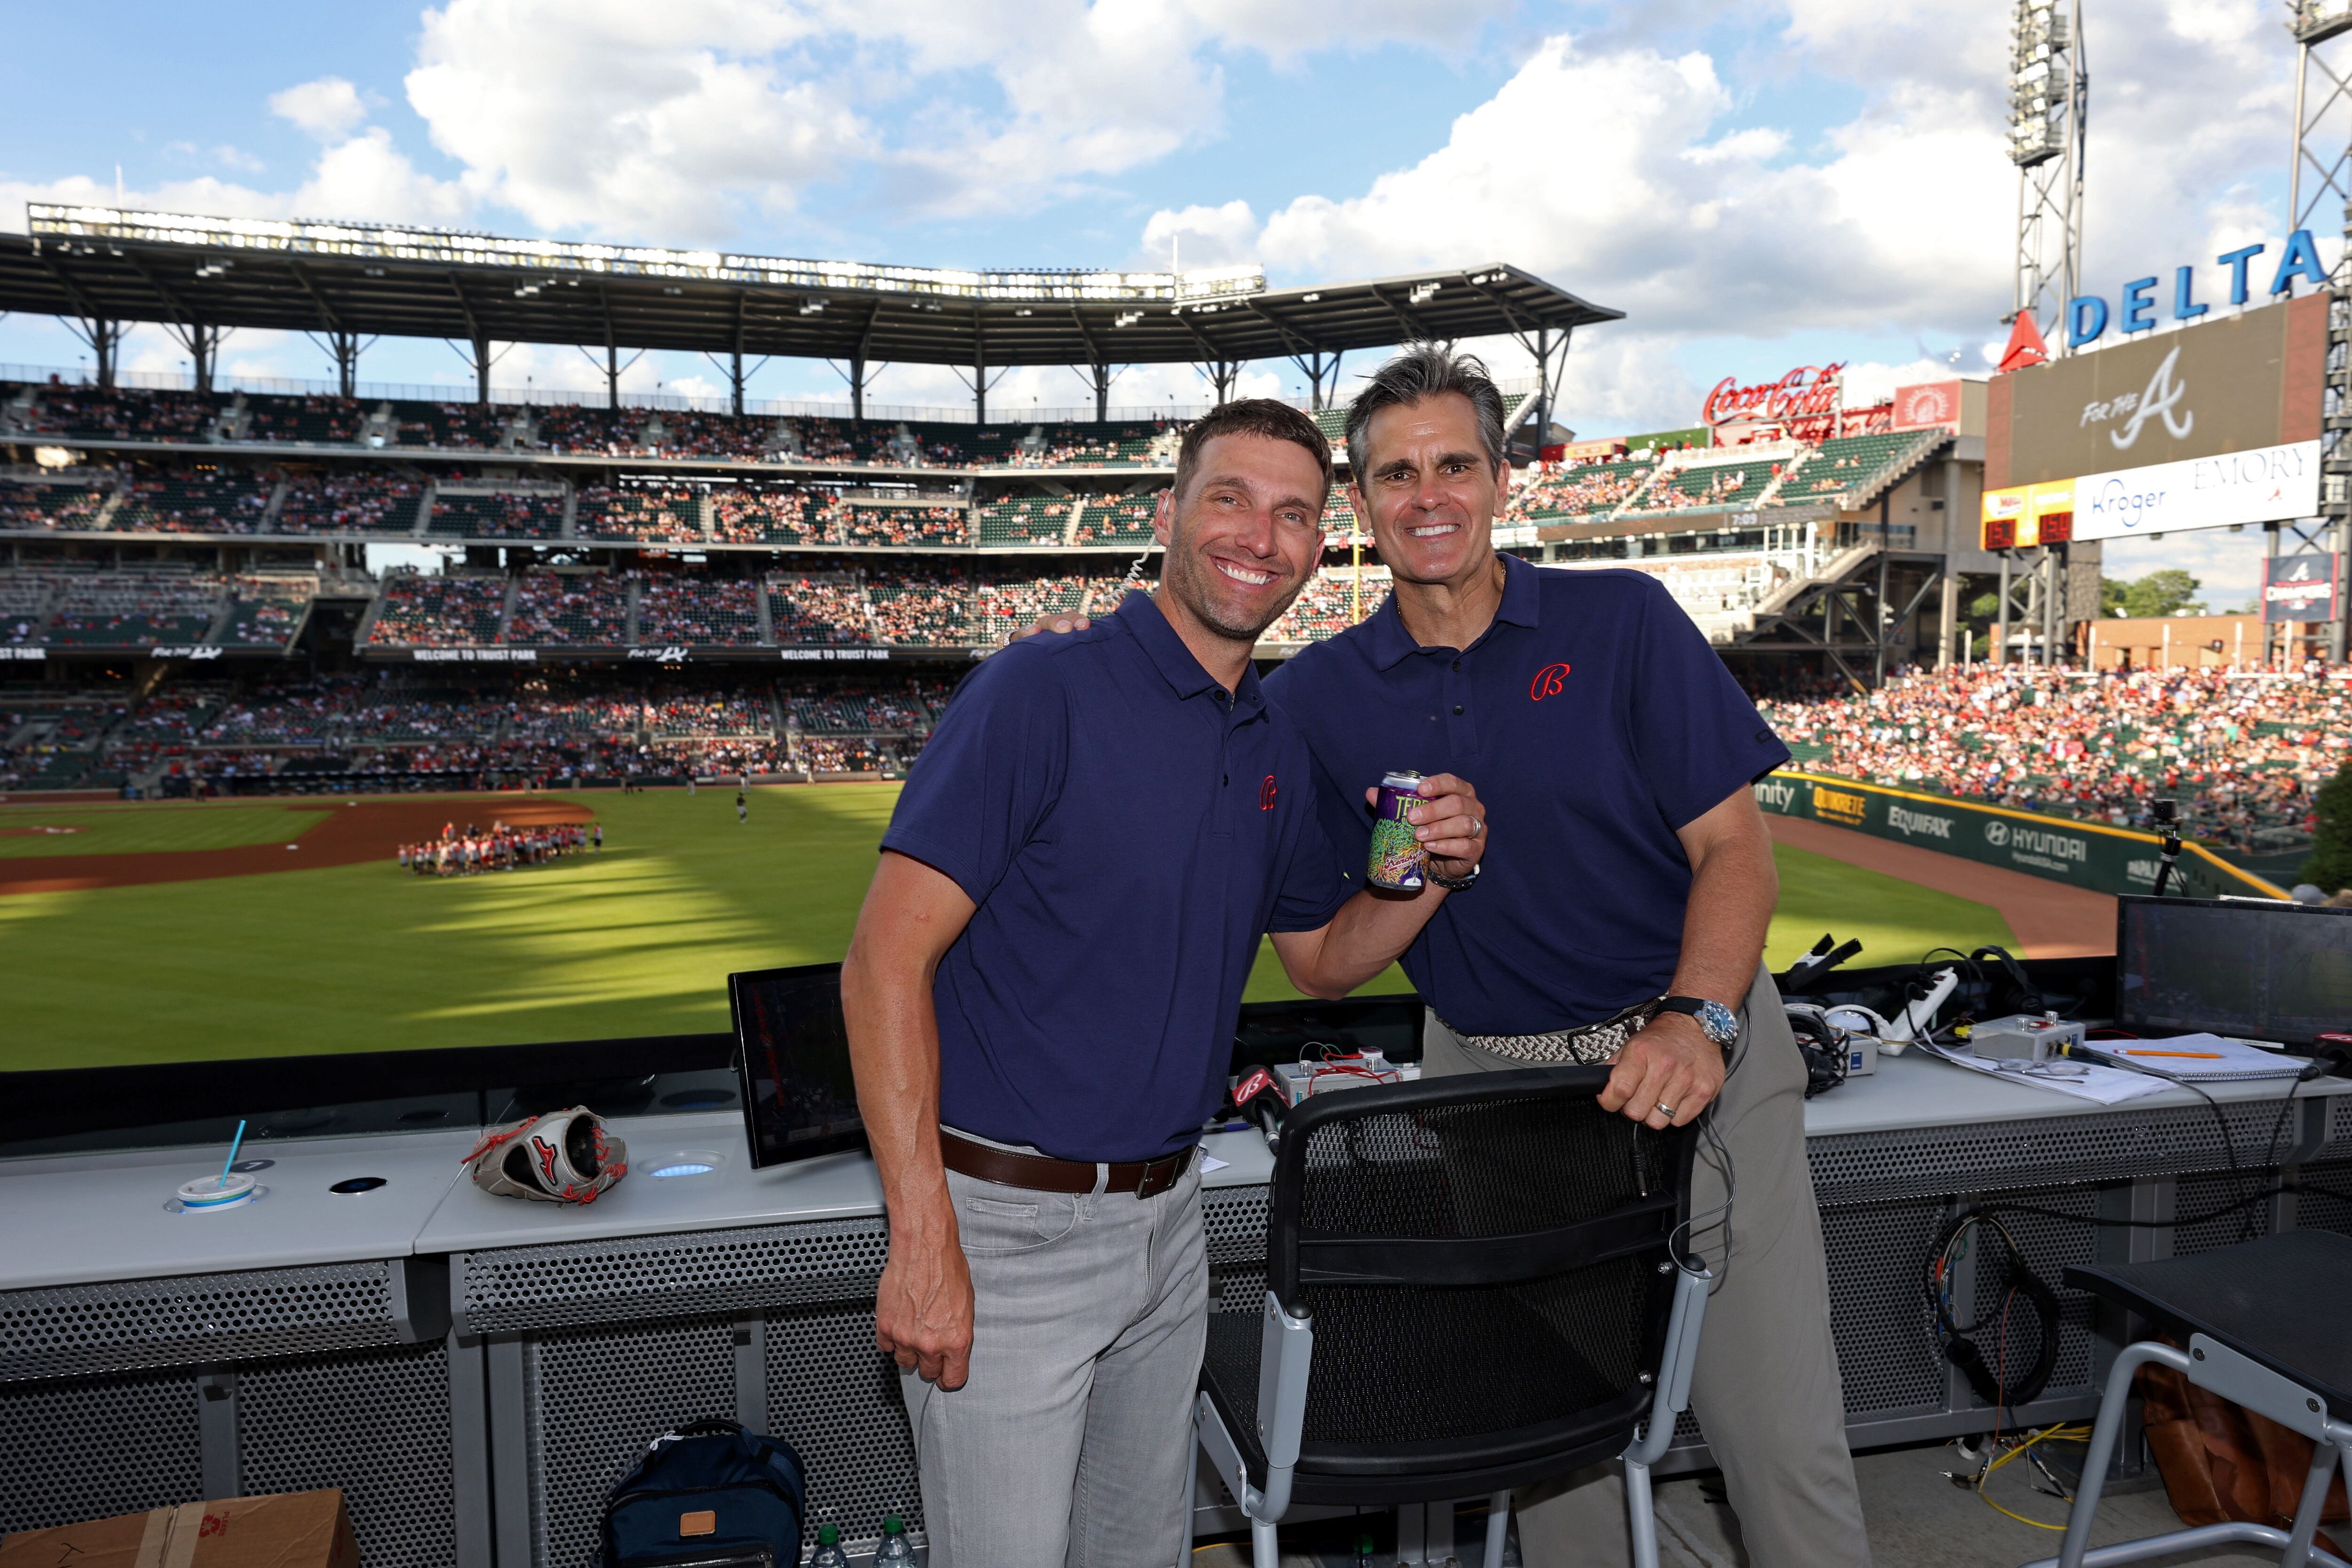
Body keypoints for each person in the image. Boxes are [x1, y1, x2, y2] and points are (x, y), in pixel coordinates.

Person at [841, 399, 1490, 1568]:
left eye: (1292, 513)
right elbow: (883, 961)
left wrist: (1435, 871)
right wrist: (922, 1235)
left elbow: (1321, 958)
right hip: (1005, 1227)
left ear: (1318, 544)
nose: (1258, 535)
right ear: (1168, 513)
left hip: (1169, 1223)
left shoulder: (1271, 740)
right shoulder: (1041, 688)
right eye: (1229, 498)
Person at [1269, 346, 1868, 1568]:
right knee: (1554, 1457)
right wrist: (1422, 871)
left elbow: (1735, 851)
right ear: (1362, 503)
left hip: (1695, 1056)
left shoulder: (1622, 619)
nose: (1428, 496)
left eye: (1454, 465)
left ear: (1502, 480)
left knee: (1779, 1441)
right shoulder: (1317, 694)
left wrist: (1699, 1016)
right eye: (1396, 474)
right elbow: (1321, 965)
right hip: (1501, 1092)